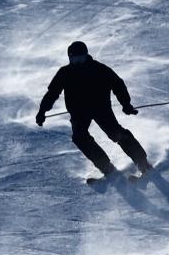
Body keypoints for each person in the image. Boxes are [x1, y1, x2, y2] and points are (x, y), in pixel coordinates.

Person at [35, 41, 151, 180]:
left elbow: (117, 84)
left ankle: (143, 163)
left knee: (115, 134)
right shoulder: (65, 73)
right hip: (78, 112)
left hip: (101, 108)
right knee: (79, 137)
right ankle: (106, 167)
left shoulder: (99, 69)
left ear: (87, 55)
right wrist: (42, 111)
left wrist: (126, 104)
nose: (78, 62)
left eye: (81, 58)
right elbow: (52, 93)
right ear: (70, 59)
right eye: (75, 59)